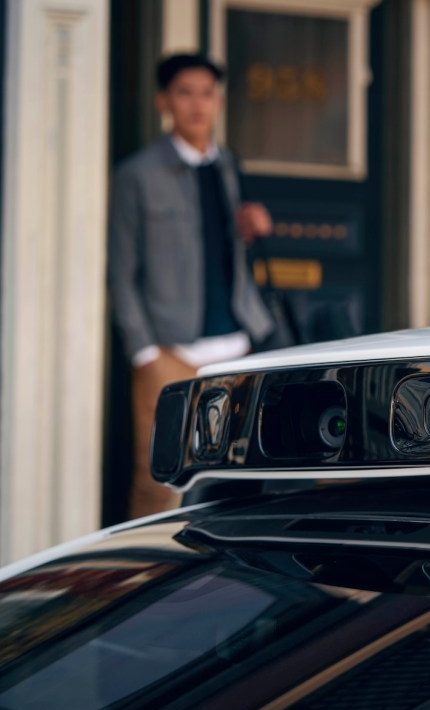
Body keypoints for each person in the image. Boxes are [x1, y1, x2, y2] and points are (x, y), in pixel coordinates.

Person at [108, 54, 274, 519]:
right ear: (163, 101)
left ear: (217, 102)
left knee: (231, 477)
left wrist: (250, 228)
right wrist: (144, 352)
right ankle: (146, 564)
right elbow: (121, 271)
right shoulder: (137, 175)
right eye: (185, 93)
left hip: (236, 347)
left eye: (207, 94)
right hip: (169, 352)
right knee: (158, 481)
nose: (198, 105)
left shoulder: (227, 165)